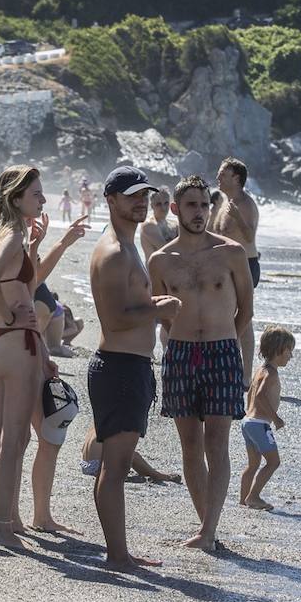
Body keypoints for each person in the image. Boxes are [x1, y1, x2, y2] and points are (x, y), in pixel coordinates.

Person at [0, 165, 85, 547]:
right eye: (36, 194)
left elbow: (25, 282)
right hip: (14, 341)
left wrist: (43, 247)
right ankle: (2, 526)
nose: (44, 199)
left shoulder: (5, 234)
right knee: (14, 441)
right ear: (16, 198)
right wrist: (10, 316)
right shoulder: (13, 233)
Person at [149, 175, 254, 552]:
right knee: (190, 445)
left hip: (221, 352)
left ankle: (209, 531)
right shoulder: (161, 261)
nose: (199, 212)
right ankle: (205, 526)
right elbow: (159, 308)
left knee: (217, 444)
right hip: (179, 355)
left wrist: (226, 340)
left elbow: (247, 309)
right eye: (191, 205)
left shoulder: (230, 253)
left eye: (205, 205)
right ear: (175, 209)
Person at [85, 166, 179, 569]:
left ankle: (118, 551)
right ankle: (117, 555)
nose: (140, 201)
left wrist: (154, 307)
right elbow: (115, 319)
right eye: (132, 196)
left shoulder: (129, 245)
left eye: (145, 195)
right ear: (111, 200)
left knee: (118, 465)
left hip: (130, 366)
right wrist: (160, 309)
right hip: (119, 367)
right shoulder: (113, 252)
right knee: (115, 467)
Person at [211, 158, 261, 384]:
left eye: (223, 174)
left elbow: (250, 237)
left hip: (245, 265)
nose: (218, 177)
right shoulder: (222, 201)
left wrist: (239, 218)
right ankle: (229, 366)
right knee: (224, 314)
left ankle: (246, 375)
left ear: (236, 178)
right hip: (222, 266)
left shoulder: (246, 204)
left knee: (244, 316)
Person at [239, 327, 295, 511]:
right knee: (273, 462)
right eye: (289, 351)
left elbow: (252, 394)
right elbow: (261, 395)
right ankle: (254, 496)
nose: (291, 356)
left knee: (253, 464)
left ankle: (244, 498)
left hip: (249, 421)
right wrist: (276, 418)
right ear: (279, 350)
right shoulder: (271, 373)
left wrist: (248, 413)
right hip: (260, 424)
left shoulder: (259, 370)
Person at [138, 188, 176, 260]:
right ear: (152, 206)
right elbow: (167, 252)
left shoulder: (174, 224)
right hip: (154, 271)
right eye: (159, 204)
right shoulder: (148, 225)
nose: (163, 208)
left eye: (166, 203)